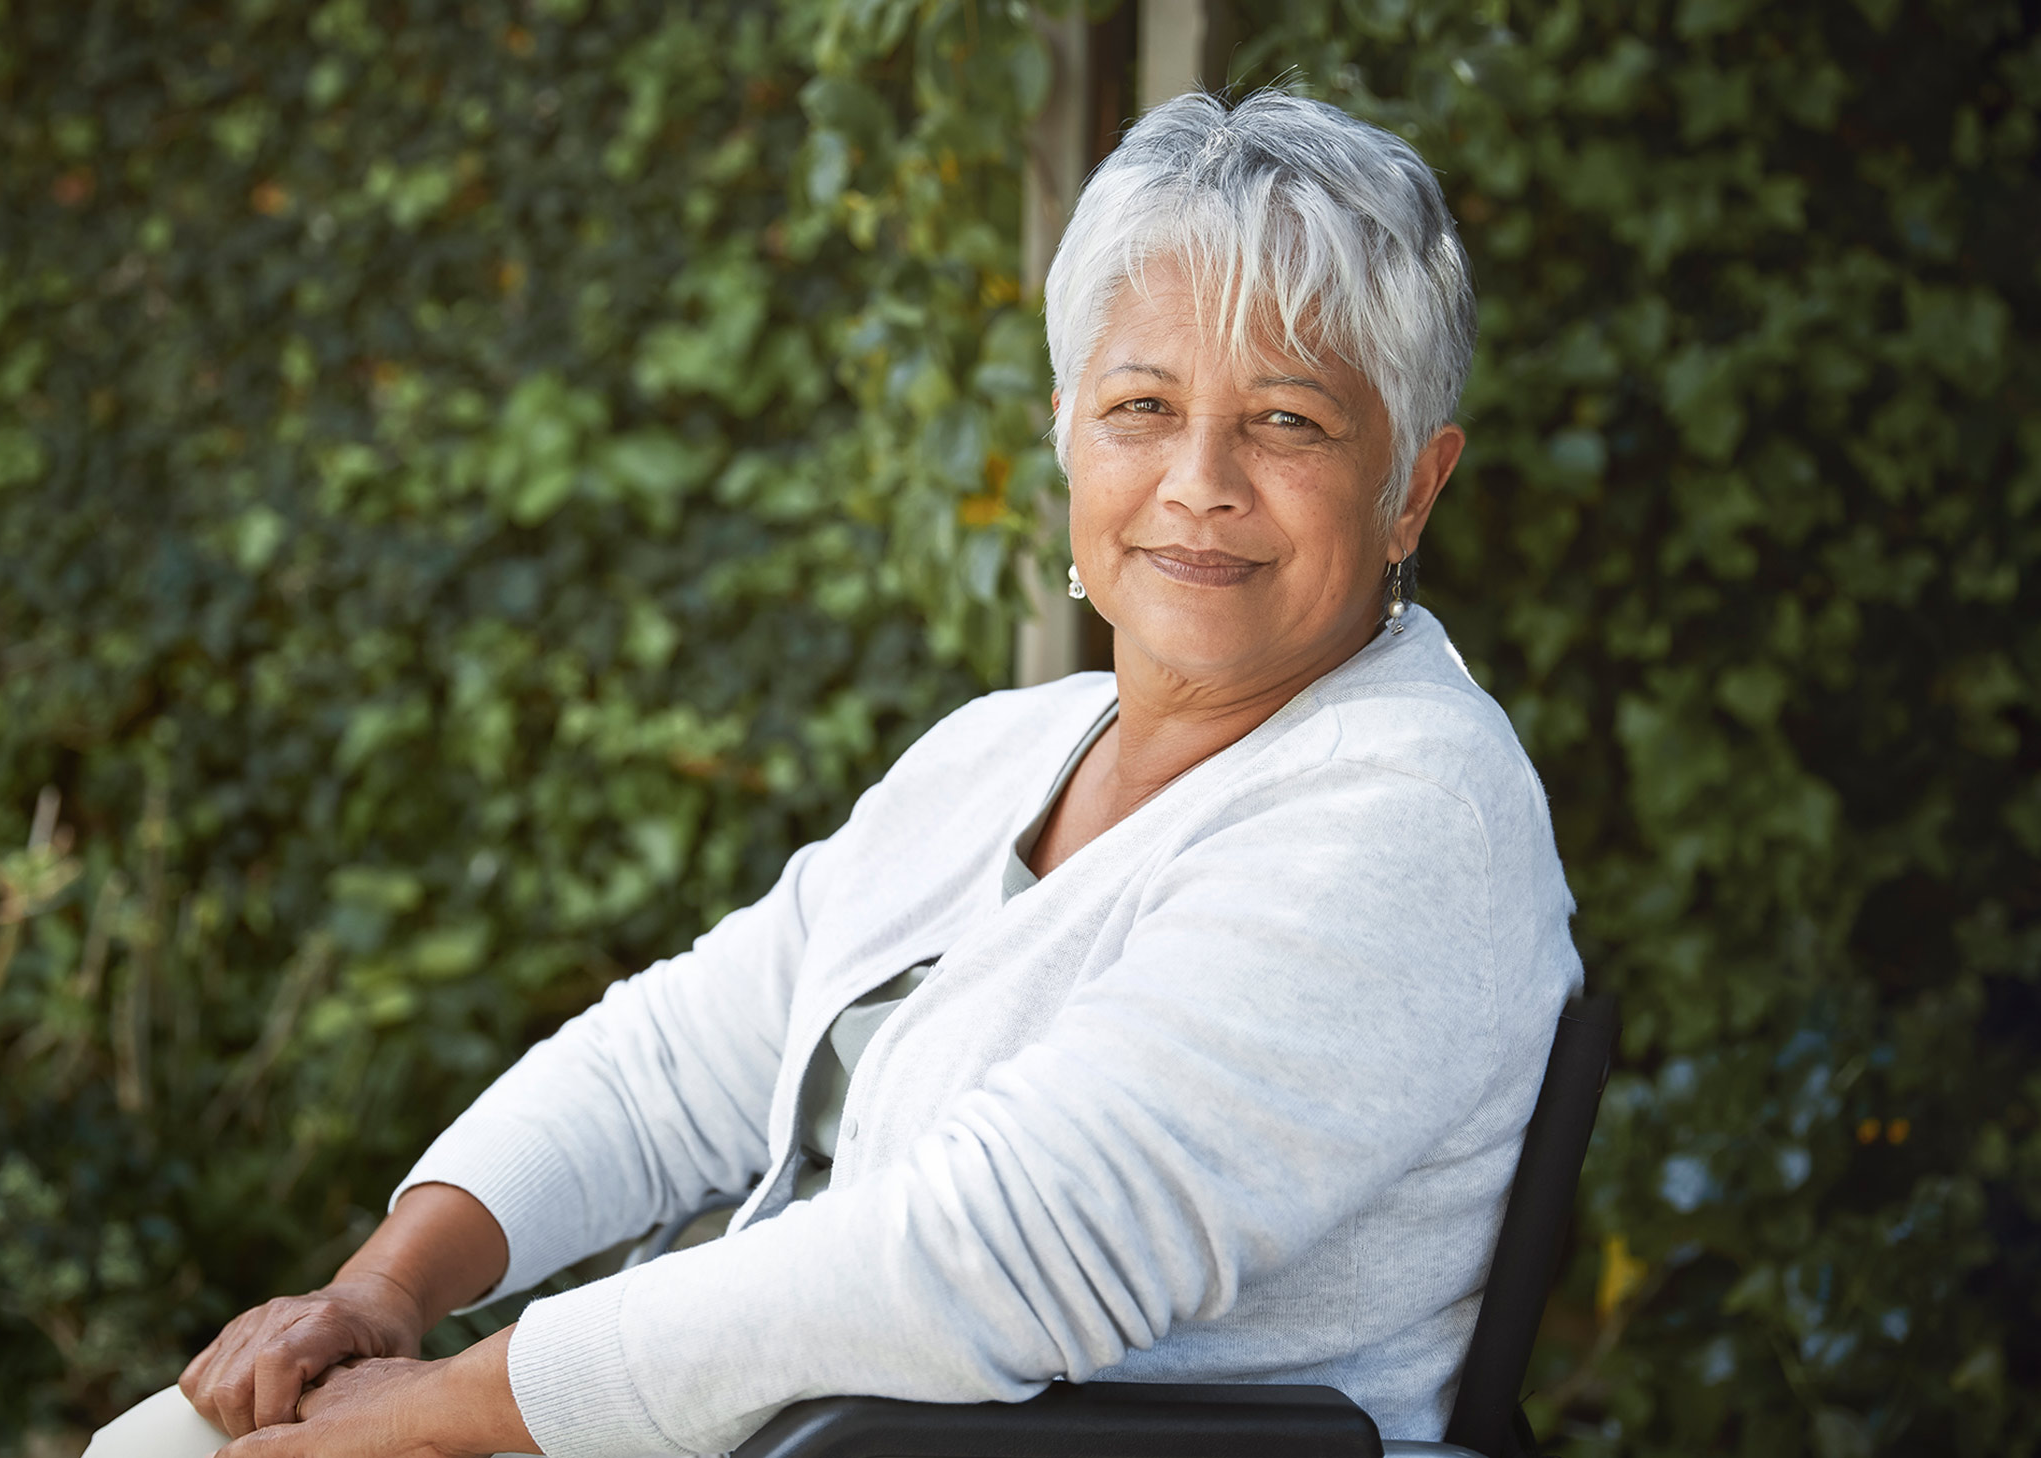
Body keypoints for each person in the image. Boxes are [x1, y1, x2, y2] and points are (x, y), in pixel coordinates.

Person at [88, 88, 1580, 1458]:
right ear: (1065, 437)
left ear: (1411, 488)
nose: (1199, 475)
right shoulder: (1005, 745)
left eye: (1288, 420)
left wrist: (459, 1411)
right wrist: (382, 1293)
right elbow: (678, 1060)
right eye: (1140, 407)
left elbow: (998, 1256)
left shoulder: (1409, 808)